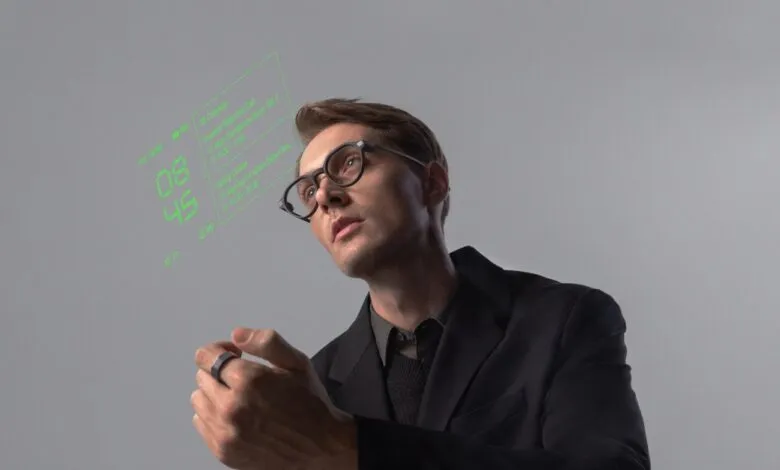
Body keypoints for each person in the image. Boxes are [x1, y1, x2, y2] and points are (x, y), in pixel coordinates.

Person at [190, 98, 651, 470]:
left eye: (347, 164)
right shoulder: (316, 388)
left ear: (432, 182)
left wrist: (346, 447)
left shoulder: (563, 318)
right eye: (307, 192)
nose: (326, 196)